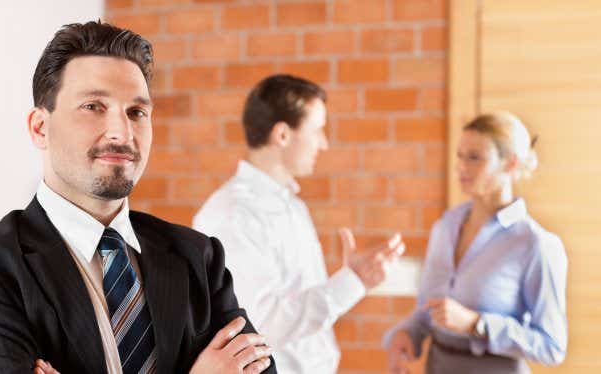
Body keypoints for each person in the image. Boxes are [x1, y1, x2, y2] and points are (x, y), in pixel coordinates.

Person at [0, 21, 276, 374]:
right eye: (93, 106)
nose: (122, 132)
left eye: (137, 112)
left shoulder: (197, 258)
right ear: (40, 128)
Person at [192, 74, 405, 374]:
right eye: (317, 130)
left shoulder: (293, 206)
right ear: (282, 135)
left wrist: (351, 279)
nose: (324, 143)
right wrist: (352, 282)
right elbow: (262, 324)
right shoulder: (232, 214)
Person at [384, 112, 568, 373]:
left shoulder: (535, 244)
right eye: (459, 156)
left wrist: (477, 324)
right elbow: (428, 309)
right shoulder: (445, 227)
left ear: (511, 164)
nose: (461, 167)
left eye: (474, 158)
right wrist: (406, 334)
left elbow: (552, 347)